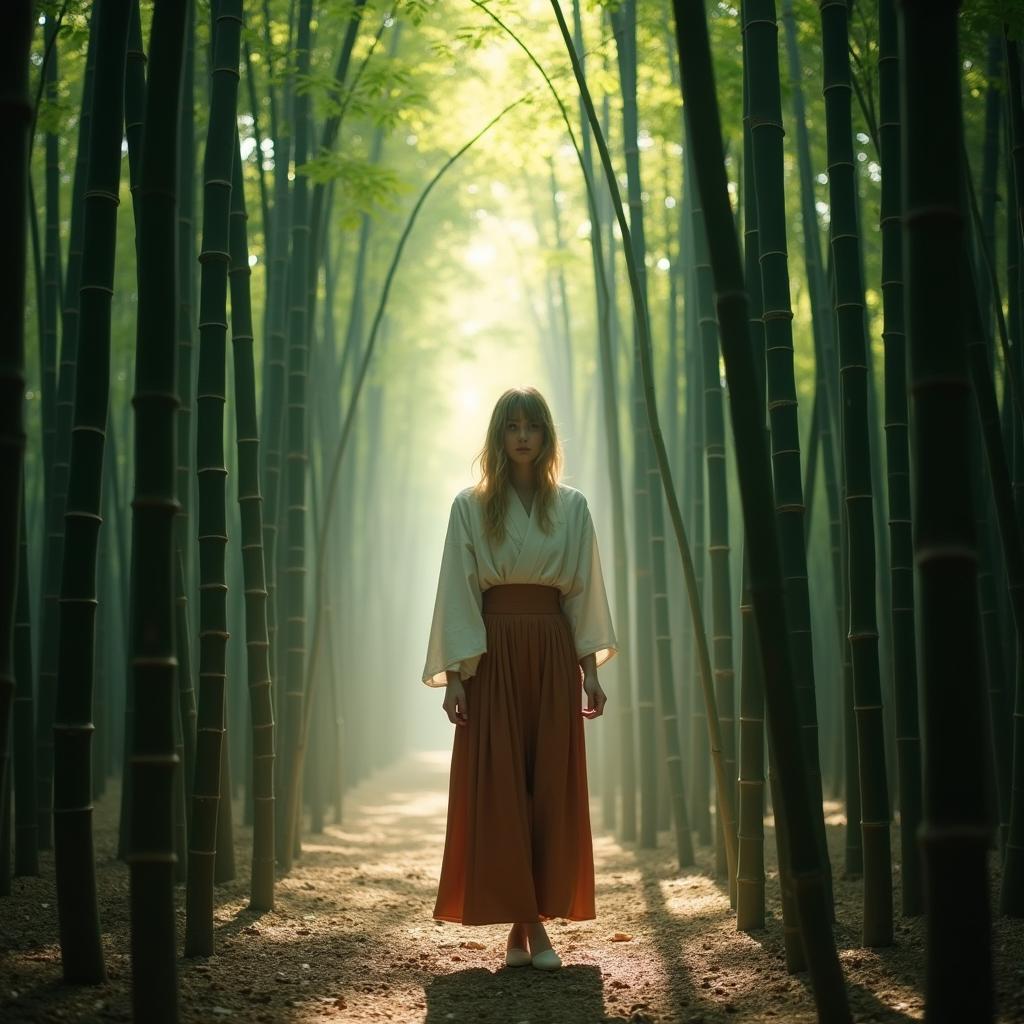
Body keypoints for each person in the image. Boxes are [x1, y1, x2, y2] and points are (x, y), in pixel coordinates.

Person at [422, 385, 618, 971]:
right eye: (513, 426)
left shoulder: (574, 507)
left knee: (547, 783)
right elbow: (458, 593)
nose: (524, 435)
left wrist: (591, 674)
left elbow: (581, 594)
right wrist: (457, 676)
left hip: (553, 651)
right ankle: (533, 928)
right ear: (498, 436)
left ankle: (519, 931)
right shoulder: (470, 506)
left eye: (533, 425)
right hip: (494, 653)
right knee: (502, 785)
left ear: (547, 434)